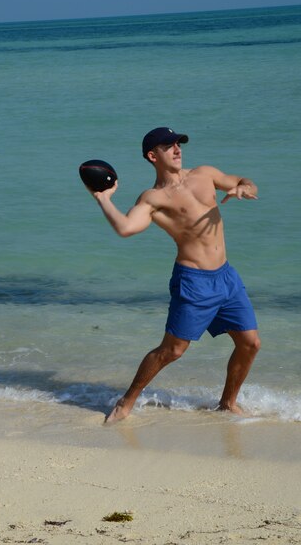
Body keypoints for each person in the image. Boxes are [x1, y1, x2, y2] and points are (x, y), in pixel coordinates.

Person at [89, 126, 262, 425]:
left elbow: (244, 182)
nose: (178, 149)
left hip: (226, 277)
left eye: (179, 144)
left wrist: (245, 187)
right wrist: (104, 200)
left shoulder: (205, 174)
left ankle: (227, 403)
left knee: (250, 343)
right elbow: (126, 228)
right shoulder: (154, 198)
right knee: (172, 351)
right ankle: (126, 401)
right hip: (194, 282)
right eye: (169, 146)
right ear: (152, 156)